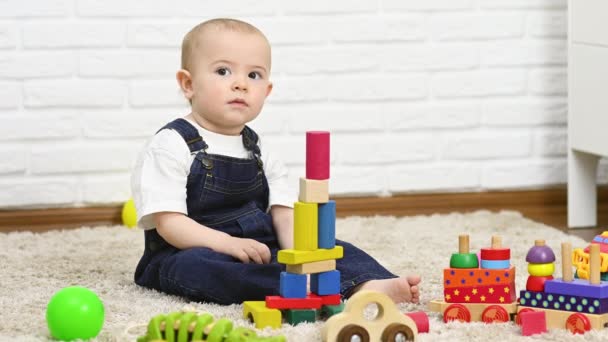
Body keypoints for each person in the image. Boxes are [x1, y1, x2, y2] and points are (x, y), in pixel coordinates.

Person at [131, 18, 421, 305]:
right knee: (197, 267)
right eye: (223, 71)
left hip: (260, 244)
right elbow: (170, 224)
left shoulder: (258, 149)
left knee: (327, 247)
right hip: (188, 249)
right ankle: (297, 287)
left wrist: (302, 254)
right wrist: (229, 244)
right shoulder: (172, 143)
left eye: (254, 75)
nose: (240, 84)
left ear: (266, 91)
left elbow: (283, 214)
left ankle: (366, 283)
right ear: (188, 84)